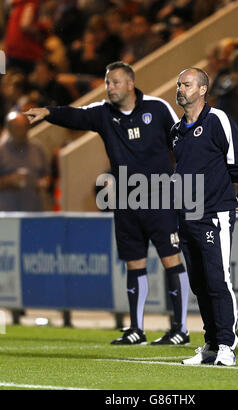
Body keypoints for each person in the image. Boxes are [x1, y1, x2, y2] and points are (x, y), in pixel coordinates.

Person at [24, 61, 190, 346]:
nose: (109, 88)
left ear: (129, 83)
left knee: (171, 259)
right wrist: (48, 112)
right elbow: (76, 116)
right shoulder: (103, 113)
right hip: (126, 201)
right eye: (107, 82)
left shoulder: (157, 108)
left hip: (160, 197)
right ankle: (136, 329)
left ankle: (181, 329)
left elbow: (181, 141)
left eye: (114, 82)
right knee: (134, 264)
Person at [171, 68, 238, 366]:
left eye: (187, 84)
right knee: (199, 283)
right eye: (179, 84)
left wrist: (229, 195)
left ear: (202, 89)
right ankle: (211, 344)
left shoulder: (218, 120)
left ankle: (227, 346)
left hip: (214, 213)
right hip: (187, 215)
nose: (181, 89)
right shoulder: (176, 131)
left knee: (218, 278)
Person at [0, 112, 50, 211]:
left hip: (34, 210)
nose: (21, 131)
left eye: (24, 127)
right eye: (17, 128)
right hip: (7, 214)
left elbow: (46, 175)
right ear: (9, 129)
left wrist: (44, 182)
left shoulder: (37, 148)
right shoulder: (1, 150)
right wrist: (8, 181)